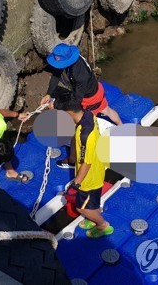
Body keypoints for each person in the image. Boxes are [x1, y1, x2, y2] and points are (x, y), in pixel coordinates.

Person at [40, 43, 122, 169]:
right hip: (96, 89)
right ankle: (121, 127)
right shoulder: (72, 59)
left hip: (89, 99)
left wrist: (55, 106)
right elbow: (56, 74)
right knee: (107, 110)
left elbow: (76, 101)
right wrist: (48, 94)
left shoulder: (80, 75)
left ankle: (73, 160)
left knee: (76, 129)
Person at [55, 96, 114, 238]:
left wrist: (76, 184)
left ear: (69, 113)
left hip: (89, 179)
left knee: (82, 208)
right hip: (97, 167)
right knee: (91, 202)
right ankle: (93, 217)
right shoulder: (87, 114)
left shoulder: (85, 135)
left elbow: (86, 163)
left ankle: (102, 225)